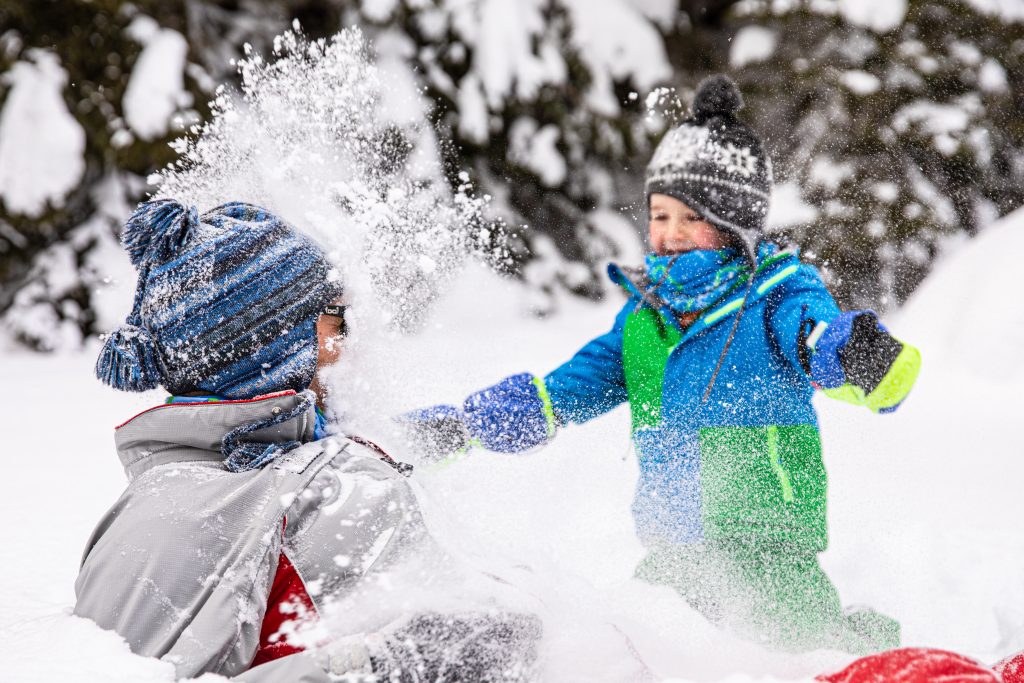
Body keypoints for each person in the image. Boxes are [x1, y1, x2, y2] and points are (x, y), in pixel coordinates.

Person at [404, 75, 921, 655]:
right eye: (658, 215)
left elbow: (819, 342)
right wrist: (467, 425)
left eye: (690, 216)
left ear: (732, 223)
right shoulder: (643, 320)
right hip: (675, 548)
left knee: (801, 653)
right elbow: (564, 391)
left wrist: (856, 355)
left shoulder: (777, 295)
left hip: (769, 544)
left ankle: (866, 650)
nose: (669, 233)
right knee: (641, 648)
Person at [74, 199, 540, 682]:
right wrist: (384, 667)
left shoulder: (177, 486)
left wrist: (462, 425)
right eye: (337, 321)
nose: (348, 345)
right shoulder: (326, 500)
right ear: (270, 348)